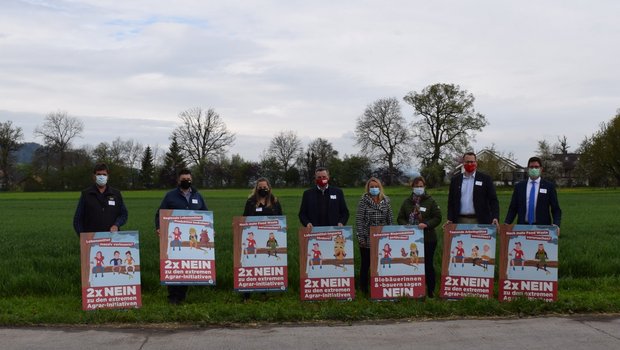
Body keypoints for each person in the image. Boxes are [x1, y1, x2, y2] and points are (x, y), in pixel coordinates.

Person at [155, 169, 208, 305]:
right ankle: (173, 296)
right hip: (174, 239)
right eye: (183, 179)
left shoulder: (198, 196)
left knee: (186, 267)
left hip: (191, 239)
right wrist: (159, 228)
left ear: (192, 180)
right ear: (178, 180)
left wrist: (209, 230)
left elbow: (206, 215)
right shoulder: (170, 196)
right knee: (174, 266)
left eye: (188, 179)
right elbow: (159, 214)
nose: (186, 181)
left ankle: (182, 295)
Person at [397, 176, 442, 297]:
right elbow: (400, 218)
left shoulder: (431, 201)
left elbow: (438, 218)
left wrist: (426, 224)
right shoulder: (407, 202)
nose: (419, 188)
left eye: (421, 186)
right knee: (413, 264)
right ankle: (414, 290)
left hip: (428, 239)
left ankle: (431, 290)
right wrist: (405, 225)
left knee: (428, 264)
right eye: (416, 186)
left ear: (425, 187)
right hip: (411, 241)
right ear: (412, 187)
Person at [355, 177, 393, 294]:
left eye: (376, 186)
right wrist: (361, 237)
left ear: (380, 187)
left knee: (381, 264)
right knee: (366, 265)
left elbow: (390, 220)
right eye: (372, 187)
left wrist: (391, 236)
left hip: (382, 239)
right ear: (368, 188)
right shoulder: (363, 201)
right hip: (367, 238)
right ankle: (364, 289)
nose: (374, 188)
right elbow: (359, 220)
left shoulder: (386, 201)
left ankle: (380, 288)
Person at [504, 156, 562, 228]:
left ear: (541, 169)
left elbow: (555, 209)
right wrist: (507, 223)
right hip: (522, 227)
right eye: (531, 167)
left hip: (542, 228)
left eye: (536, 167)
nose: (534, 169)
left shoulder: (549, 186)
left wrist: (556, 224)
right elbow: (513, 208)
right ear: (528, 169)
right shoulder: (519, 187)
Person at [73, 163, 128, 236]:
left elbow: (124, 214)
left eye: (104, 174)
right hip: (92, 239)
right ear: (94, 176)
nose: (101, 176)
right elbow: (77, 220)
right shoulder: (86, 194)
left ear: (108, 176)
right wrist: (82, 237)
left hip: (112, 239)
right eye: (98, 174)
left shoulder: (116, 194)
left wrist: (116, 225)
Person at [446, 152, 500, 225]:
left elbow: (493, 200)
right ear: (463, 163)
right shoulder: (455, 180)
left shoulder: (485, 179)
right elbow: (451, 202)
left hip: (480, 221)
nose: (470, 164)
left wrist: (495, 217)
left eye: (472, 162)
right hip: (460, 221)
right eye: (467, 162)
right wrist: (450, 218)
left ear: (476, 163)